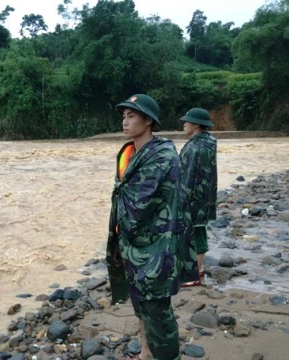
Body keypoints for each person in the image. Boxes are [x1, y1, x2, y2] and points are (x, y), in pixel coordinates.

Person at [106, 94, 198, 360]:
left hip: (156, 247)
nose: (125, 121)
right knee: (140, 304)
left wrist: (123, 233)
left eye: (131, 116)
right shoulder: (129, 153)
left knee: (158, 312)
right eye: (124, 116)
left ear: (148, 121)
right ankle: (146, 353)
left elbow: (140, 204)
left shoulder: (162, 156)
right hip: (132, 245)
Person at [179, 108, 218, 287]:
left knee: (197, 231)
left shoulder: (197, 147)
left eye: (187, 121)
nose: (184, 124)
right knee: (197, 230)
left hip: (194, 197)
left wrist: (181, 197)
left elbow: (190, 176)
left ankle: (196, 273)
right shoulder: (207, 142)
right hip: (204, 195)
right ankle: (196, 269)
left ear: (196, 125)